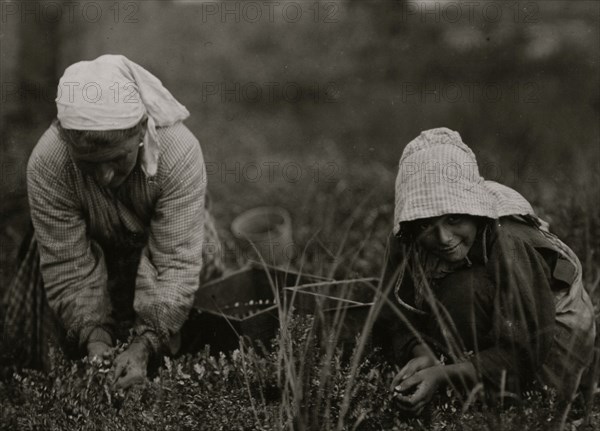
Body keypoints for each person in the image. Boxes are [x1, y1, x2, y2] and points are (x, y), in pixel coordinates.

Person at [2, 54, 224, 388]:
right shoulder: (49, 163)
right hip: (91, 252)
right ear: (67, 141)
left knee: (192, 341)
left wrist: (144, 343)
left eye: (118, 160)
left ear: (139, 132)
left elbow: (177, 263)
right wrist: (94, 337)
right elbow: (67, 264)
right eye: (88, 164)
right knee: (59, 365)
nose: (105, 177)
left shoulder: (178, 153)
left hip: (168, 255)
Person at [376, 128, 596, 414]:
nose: (443, 237)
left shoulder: (510, 240)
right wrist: (423, 353)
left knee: (463, 290)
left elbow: (524, 353)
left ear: (474, 211)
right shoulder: (405, 236)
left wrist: (443, 375)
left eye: (454, 218)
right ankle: (458, 380)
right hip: (486, 326)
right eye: (426, 225)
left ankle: (482, 400)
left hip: (549, 342)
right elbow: (392, 312)